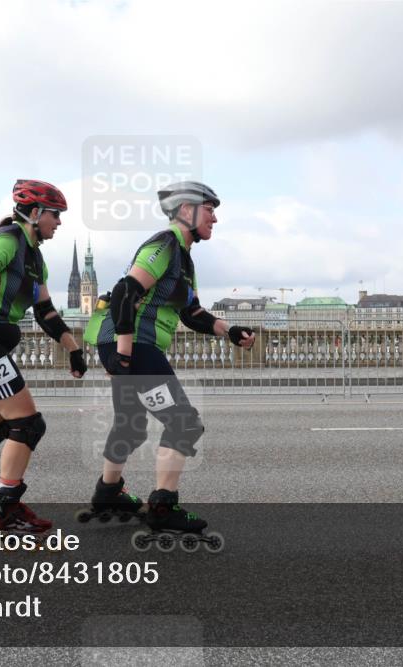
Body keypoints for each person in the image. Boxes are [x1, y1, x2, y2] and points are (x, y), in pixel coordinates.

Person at [83, 181, 255, 538]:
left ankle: (108, 493)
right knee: (183, 423)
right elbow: (125, 292)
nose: (215, 218)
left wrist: (230, 330)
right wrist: (126, 353)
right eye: (210, 209)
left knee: (130, 424)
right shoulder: (164, 245)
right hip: (134, 343)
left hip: (124, 343)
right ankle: (163, 506)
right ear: (186, 210)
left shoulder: (184, 259)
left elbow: (191, 313)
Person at [0, 179, 87, 533]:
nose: (59, 223)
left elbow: (46, 312)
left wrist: (73, 350)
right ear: (36, 213)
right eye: (56, 215)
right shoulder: (8, 240)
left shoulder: (35, 258)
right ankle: (7, 509)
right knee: (27, 423)